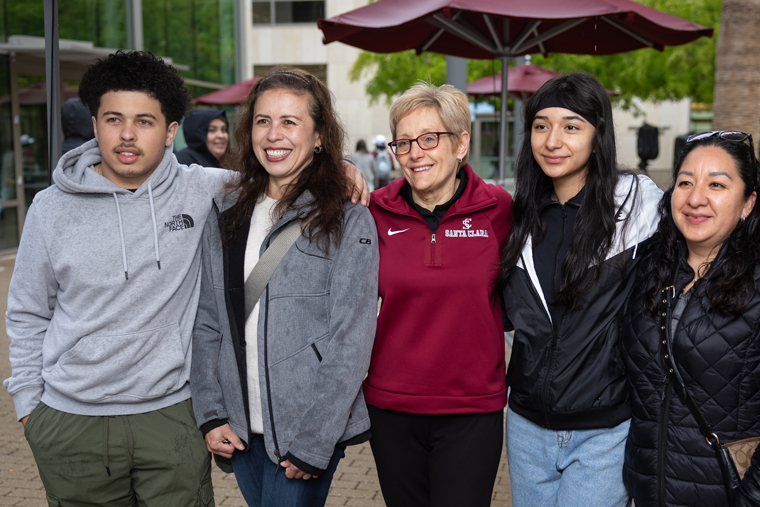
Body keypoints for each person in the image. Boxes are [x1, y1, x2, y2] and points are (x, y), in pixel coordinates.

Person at [3, 51, 369, 507]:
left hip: (172, 414)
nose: (128, 135)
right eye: (114, 119)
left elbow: (280, 172)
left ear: (171, 131)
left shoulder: (207, 189)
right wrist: (29, 408)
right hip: (71, 419)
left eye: (145, 121)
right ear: (95, 123)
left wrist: (342, 171)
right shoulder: (50, 208)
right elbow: (27, 312)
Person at [190, 67, 379, 507]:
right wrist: (211, 412)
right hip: (239, 425)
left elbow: (351, 341)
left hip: (305, 429)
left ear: (318, 136)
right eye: (262, 120)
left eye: (290, 122)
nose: (273, 135)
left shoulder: (348, 218)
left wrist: (315, 440)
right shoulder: (226, 208)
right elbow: (208, 320)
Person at [497, 72, 663, 507]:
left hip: (605, 431)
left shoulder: (636, 204)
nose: (553, 140)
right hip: (527, 427)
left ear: (598, 135)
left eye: (571, 126)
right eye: (541, 125)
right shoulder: (517, 217)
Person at [364, 83, 513, 506]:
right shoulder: (373, 210)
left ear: (461, 142)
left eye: (430, 138)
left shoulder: (500, 210)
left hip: (472, 410)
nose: (415, 153)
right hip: (392, 407)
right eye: (404, 142)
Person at [622, 131, 760, 507]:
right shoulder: (649, 266)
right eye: (685, 182)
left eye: (716, 184)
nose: (695, 198)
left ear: (748, 203)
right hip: (646, 490)